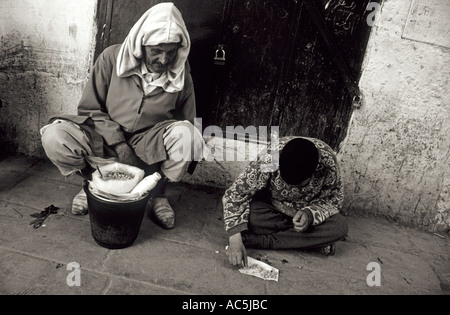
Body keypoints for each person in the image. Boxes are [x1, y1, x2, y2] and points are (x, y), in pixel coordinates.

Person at [40, 2, 204, 229]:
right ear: (141, 44)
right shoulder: (111, 58)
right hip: (102, 135)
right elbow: (89, 109)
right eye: (156, 51)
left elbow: (187, 118)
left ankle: (157, 193)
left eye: (171, 52)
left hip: (149, 142)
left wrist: (188, 149)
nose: (164, 60)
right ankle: (91, 184)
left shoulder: (180, 72)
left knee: (188, 135)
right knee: (54, 136)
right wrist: (118, 143)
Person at [222, 136, 348, 266]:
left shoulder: (328, 163)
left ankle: (261, 241)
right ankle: (308, 242)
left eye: (297, 185)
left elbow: (333, 201)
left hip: (306, 213)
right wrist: (235, 239)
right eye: (285, 182)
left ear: (314, 172)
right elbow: (235, 194)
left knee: (339, 227)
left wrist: (309, 215)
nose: (289, 188)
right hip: (272, 209)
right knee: (253, 217)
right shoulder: (270, 157)